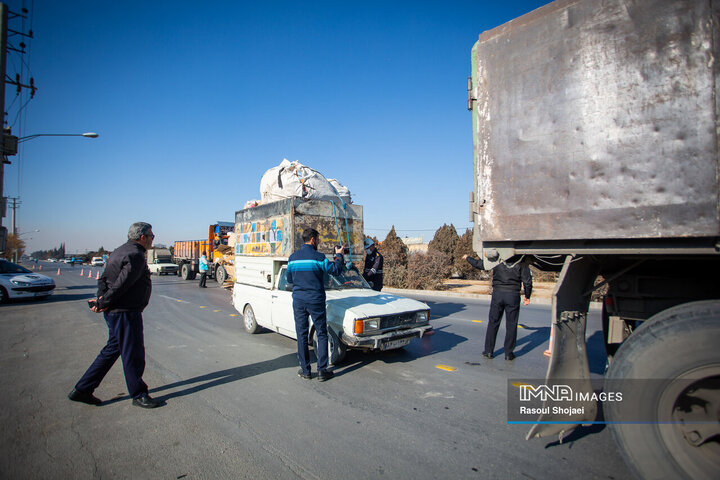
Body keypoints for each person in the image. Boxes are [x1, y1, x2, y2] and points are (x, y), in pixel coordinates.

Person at [68, 222, 161, 409]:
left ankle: (83, 389)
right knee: (133, 354)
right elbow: (122, 285)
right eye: (151, 235)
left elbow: (103, 279)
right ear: (142, 237)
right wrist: (102, 302)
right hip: (125, 313)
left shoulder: (119, 251)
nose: (153, 239)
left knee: (112, 350)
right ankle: (138, 394)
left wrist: (100, 300)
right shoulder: (135, 255)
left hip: (116, 312)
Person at [286, 228, 344, 381]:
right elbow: (336, 270)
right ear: (312, 239)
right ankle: (322, 371)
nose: (319, 242)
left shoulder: (292, 258)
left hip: (298, 300)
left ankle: (305, 370)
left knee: (302, 335)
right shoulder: (319, 257)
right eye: (318, 239)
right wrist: (339, 255)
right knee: (321, 333)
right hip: (315, 300)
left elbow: (289, 279)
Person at [463, 254, 532, 360]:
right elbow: (527, 282)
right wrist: (527, 296)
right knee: (511, 325)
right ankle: (509, 353)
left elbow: (481, 264)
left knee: (493, 323)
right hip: (513, 295)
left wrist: (468, 258)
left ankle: (489, 351)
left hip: (498, 294)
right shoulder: (521, 261)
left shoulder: (497, 260)